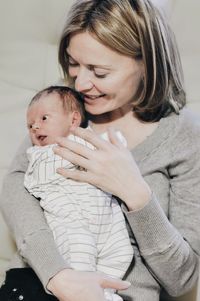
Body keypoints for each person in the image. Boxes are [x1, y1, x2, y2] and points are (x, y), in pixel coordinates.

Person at [0, 0, 200, 300]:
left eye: (99, 71)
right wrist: (58, 274)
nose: (80, 83)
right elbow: (17, 188)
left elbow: (183, 278)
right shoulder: (62, 107)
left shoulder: (183, 134)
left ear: (146, 63)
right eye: (73, 63)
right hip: (37, 282)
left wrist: (135, 192)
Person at [24, 85, 133, 301]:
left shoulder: (90, 139)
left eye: (44, 118)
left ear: (73, 121)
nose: (35, 127)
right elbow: (32, 184)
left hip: (106, 217)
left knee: (121, 252)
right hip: (71, 219)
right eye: (30, 125)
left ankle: (107, 294)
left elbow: (114, 157)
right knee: (79, 255)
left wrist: (117, 143)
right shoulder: (39, 154)